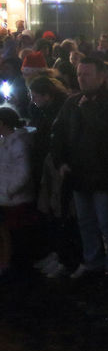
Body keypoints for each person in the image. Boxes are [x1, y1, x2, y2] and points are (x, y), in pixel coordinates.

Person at [51, 58, 108, 283]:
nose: (82, 79)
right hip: (79, 175)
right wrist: (61, 162)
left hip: (104, 175)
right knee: (86, 222)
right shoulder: (72, 102)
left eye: (86, 74)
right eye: (79, 74)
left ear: (100, 76)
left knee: (107, 223)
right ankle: (93, 262)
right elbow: (58, 134)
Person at [0, 106, 33, 277]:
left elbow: (23, 172)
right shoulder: (6, 142)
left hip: (15, 198)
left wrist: (8, 190)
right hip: (7, 197)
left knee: (16, 235)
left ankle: (17, 267)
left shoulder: (17, 143)